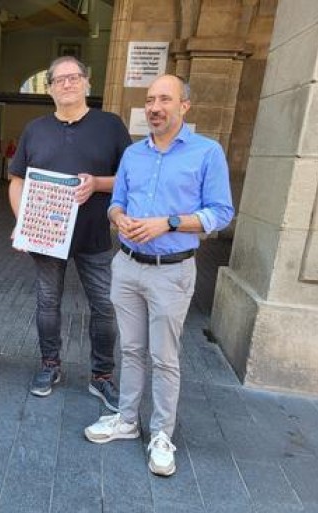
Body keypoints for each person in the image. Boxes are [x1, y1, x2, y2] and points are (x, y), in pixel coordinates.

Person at [83, 75, 234, 477]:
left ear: (184, 106)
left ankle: (162, 433)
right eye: (150, 100)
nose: (155, 107)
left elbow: (220, 213)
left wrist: (166, 223)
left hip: (172, 271)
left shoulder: (207, 152)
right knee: (131, 350)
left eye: (164, 99)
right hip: (128, 264)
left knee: (163, 357)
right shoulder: (134, 154)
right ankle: (128, 419)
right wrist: (120, 219)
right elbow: (115, 202)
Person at [8, 56, 131, 402]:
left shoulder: (110, 125)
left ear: (87, 83)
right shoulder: (35, 129)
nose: (67, 84)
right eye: (59, 80)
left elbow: (131, 178)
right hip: (46, 236)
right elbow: (17, 181)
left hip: (94, 235)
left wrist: (97, 184)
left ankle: (102, 374)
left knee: (105, 305)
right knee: (47, 303)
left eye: (73, 77)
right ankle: (50, 364)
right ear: (49, 89)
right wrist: (23, 224)